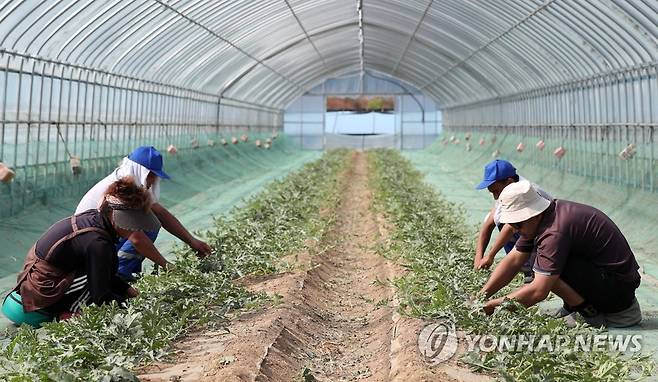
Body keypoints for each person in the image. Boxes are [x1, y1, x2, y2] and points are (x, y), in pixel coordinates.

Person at [480, 180, 642, 328]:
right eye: (512, 224)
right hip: (608, 279)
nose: (515, 229)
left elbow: (538, 291)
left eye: (518, 224)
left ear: (532, 214)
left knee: (545, 268)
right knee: (544, 261)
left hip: (617, 290)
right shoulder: (543, 218)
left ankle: (590, 314)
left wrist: (494, 306)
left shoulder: (554, 231)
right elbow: (514, 260)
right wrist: (482, 296)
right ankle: (576, 306)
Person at [1, 177, 159, 327]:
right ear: (115, 215)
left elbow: (108, 276)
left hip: (33, 286)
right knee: (96, 283)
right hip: (38, 296)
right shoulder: (98, 242)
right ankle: (67, 313)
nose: (135, 227)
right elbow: (101, 296)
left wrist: (130, 291)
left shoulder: (94, 219)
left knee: (102, 271)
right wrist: (133, 307)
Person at [76, 146, 211, 280]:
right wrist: (168, 267)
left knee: (150, 223)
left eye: (154, 176)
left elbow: (161, 214)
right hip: (89, 246)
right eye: (150, 175)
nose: (152, 181)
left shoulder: (132, 182)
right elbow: (137, 238)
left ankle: (127, 272)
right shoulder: (120, 190)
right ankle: (118, 275)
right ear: (140, 171)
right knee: (146, 228)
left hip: (101, 239)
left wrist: (193, 241)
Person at [473, 160, 551, 282]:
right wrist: (478, 258)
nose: (495, 197)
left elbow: (510, 227)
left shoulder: (526, 191)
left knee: (509, 223)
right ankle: (527, 269)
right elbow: (488, 225)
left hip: (548, 236)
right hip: (531, 235)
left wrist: (490, 256)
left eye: (496, 191)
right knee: (499, 219)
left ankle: (534, 270)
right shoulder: (507, 190)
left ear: (509, 181)